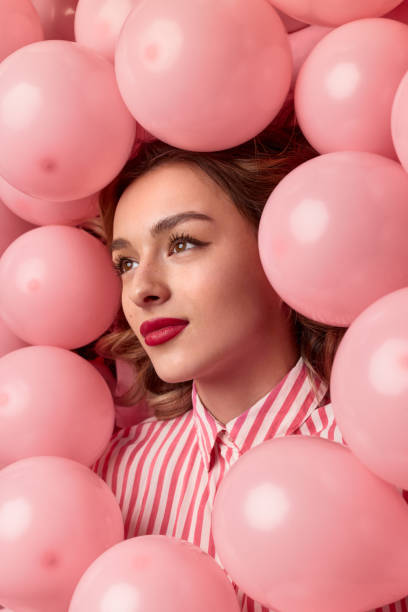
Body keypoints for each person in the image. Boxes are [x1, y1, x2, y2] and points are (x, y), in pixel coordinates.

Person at [89, 104, 407, 612]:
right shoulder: (113, 477)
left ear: (281, 252)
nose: (143, 288)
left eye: (183, 243)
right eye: (125, 262)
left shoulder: (385, 457)